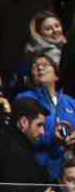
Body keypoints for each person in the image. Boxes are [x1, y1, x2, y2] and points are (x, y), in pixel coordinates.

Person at [16, 53, 75, 182]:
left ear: (56, 74)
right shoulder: (25, 99)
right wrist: (51, 138)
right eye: (34, 66)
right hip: (42, 169)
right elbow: (21, 134)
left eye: (45, 64)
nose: (40, 68)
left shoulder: (69, 101)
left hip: (70, 170)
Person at [0, 97, 49, 192]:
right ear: (24, 122)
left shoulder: (16, 144)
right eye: (39, 125)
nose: (42, 131)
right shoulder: (11, 152)